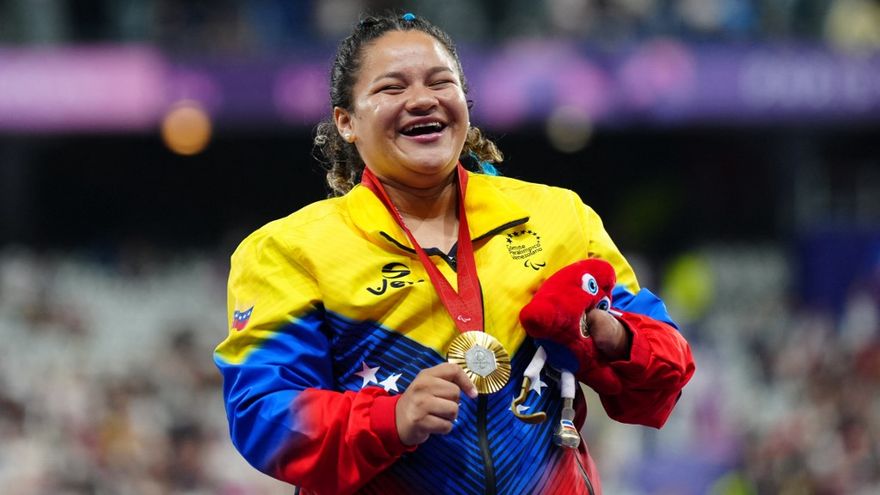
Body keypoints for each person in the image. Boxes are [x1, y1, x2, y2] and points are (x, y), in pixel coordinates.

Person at [214, 12, 695, 495]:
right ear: (346, 122)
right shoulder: (288, 250)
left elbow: (667, 375)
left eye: (440, 82)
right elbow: (263, 418)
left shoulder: (558, 218)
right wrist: (391, 418)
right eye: (391, 87)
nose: (422, 99)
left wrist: (609, 334)